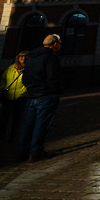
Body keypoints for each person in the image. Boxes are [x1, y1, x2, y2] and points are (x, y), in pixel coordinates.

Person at [20, 34, 62, 162]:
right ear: (55, 44)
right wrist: (56, 91)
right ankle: (36, 151)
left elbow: (25, 79)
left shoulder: (31, 57)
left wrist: (32, 89)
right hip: (46, 95)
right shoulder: (52, 57)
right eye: (59, 43)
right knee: (41, 124)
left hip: (32, 95)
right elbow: (52, 77)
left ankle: (22, 152)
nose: (59, 46)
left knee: (28, 125)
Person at [0, 51, 28, 143]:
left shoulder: (29, 69)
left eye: (25, 57)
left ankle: (13, 136)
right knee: (4, 118)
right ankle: (0, 136)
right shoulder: (10, 68)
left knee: (17, 118)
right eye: (21, 57)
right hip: (8, 97)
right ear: (18, 58)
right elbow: (3, 79)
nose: (23, 59)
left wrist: (25, 92)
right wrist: (2, 88)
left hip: (21, 97)